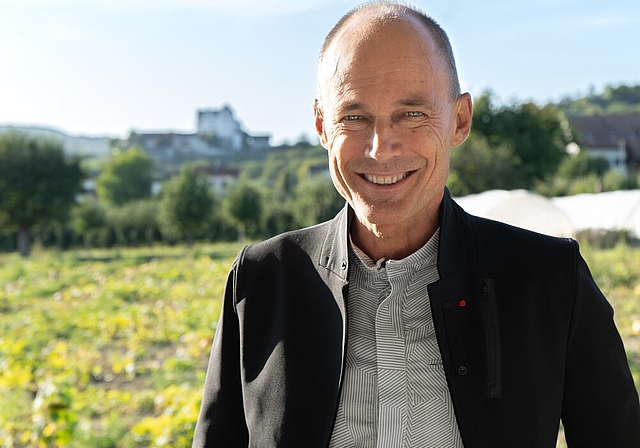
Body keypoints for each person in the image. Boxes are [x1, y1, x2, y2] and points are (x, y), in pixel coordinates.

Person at [192, 2, 640, 447]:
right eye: (354, 116)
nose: (381, 148)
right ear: (321, 125)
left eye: (411, 113)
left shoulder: (550, 281)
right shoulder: (260, 282)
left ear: (459, 120)